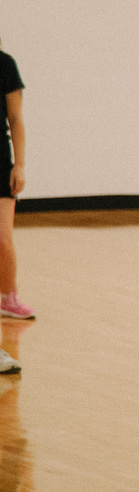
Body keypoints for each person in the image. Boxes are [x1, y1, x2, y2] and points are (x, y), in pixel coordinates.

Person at [0, 41, 29, 322]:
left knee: (2, 237)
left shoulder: (5, 64)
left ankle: (8, 298)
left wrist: (19, 165)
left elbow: (16, 118)